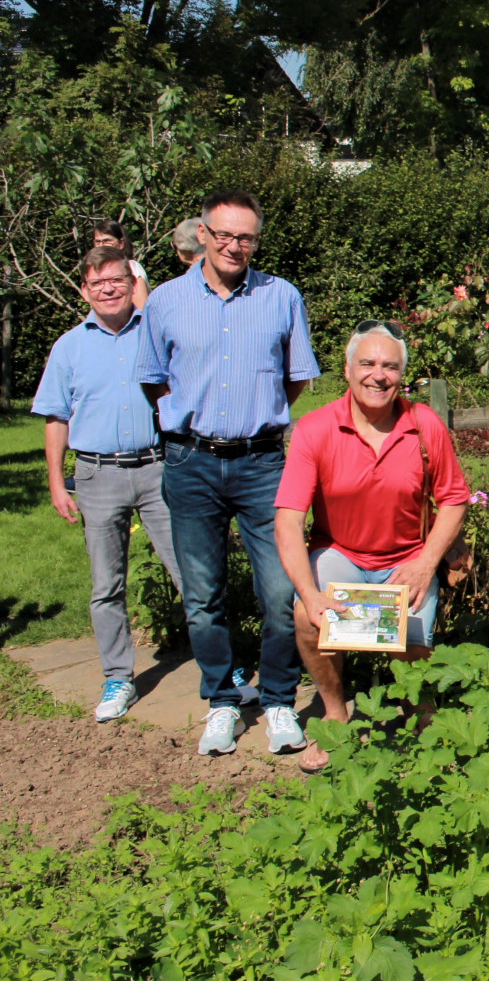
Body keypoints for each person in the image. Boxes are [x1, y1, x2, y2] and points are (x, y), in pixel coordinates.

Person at [136, 189, 321, 756]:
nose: (235, 245)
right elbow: (152, 378)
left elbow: (295, 378)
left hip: (262, 461)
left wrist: (254, 415)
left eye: (246, 237)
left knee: (278, 589)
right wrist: (191, 419)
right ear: (203, 234)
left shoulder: (281, 296)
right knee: (203, 595)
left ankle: (278, 701)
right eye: (224, 234)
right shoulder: (165, 301)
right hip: (189, 461)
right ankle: (221, 699)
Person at [275, 321, 469, 772]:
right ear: (347, 369)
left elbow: (455, 498)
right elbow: (287, 521)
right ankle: (335, 713)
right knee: (308, 618)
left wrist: (426, 563)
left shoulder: (422, 424)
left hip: (406, 558)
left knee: (414, 642)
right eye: (367, 363)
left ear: (401, 375)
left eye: (389, 366)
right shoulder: (315, 429)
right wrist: (310, 593)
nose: (377, 375)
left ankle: (421, 714)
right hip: (340, 553)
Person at [31, 246, 186, 721]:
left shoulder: (157, 336)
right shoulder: (69, 346)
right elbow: (56, 417)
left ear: (131, 281)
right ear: (85, 290)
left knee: (190, 573)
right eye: (97, 284)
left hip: (158, 468)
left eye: (116, 280)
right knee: (106, 585)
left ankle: (224, 668)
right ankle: (118, 678)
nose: (108, 289)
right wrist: (58, 483)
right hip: (97, 474)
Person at [92, 219, 150, 308]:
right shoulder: (95, 272)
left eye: (107, 241)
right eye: (97, 242)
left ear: (121, 243)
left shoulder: (132, 268)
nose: (101, 246)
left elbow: (142, 310)